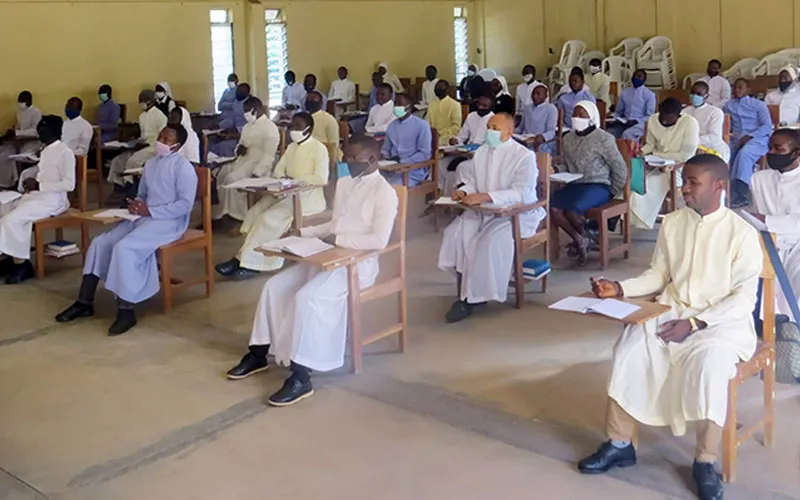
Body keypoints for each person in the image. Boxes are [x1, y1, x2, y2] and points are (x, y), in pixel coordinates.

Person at [577, 154, 762, 500]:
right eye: (684, 181)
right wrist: (619, 289)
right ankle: (619, 443)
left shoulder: (742, 234)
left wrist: (695, 323)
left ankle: (704, 461)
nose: (684, 188)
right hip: (671, 310)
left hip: (720, 323)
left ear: (718, 186)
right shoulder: (674, 222)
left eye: (693, 182)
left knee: (711, 368)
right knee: (630, 346)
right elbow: (658, 275)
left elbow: (743, 299)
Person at [224, 136, 398, 406]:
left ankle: (301, 376)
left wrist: (339, 242)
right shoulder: (345, 183)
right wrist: (303, 232)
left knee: (309, 298)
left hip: (357, 263)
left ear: (372, 160)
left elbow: (378, 240)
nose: (347, 162)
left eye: (354, 158)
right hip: (328, 255)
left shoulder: (384, 193)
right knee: (274, 286)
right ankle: (259, 353)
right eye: (346, 157)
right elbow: (334, 222)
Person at [55, 124, 197, 335]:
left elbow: (185, 205)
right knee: (99, 243)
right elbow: (143, 194)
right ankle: (84, 302)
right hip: (143, 217)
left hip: (169, 222)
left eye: (166, 139)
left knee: (125, 248)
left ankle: (126, 310)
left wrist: (151, 211)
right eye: (160, 136)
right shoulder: (150, 165)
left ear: (177, 145)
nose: (161, 141)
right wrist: (136, 204)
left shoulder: (183, 168)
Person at [438, 113, 546, 323]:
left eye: (495, 128)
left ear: (509, 132)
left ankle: (473, 298)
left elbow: (521, 193)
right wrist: (464, 191)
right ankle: (466, 288)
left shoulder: (523, 156)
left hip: (516, 213)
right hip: (484, 210)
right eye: (488, 126)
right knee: (456, 233)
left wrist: (487, 196)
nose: (490, 131)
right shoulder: (482, 152)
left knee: (486, 243)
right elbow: (473, 182)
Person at [216, 112, 328, 279]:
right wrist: (283, 179)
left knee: (268, 219)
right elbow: (278, 169)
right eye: (292, 125)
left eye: (297, 126)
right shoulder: (291, 148)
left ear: (308, 129)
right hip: (286, 192)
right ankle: (243, 256)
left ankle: (252, 264)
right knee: (255, 212)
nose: (293, 129)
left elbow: (320, 178)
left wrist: (296, 181)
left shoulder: (319, 149)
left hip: (307, 197)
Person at [0, 115, 74, 284]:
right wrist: (30, 183)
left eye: (43, 130)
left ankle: (22, 265)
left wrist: (39, 186)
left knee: (10, 220)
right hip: (37, 197)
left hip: (53, 200)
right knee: (4, 208)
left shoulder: (65, 152)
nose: (40, 133)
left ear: (54, 132)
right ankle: (9, 258)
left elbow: (69, 185)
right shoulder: (46, 150)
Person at [552, 101, 627, 266]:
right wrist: (556, 169)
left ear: (591, 117)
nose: (576, 118)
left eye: (581, 115)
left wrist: (613, 191)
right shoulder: (568, 138)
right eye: (575, 114)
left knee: (573, 208)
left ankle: (582, 240)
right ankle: (581, 239)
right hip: (574, 183)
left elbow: (619, 167)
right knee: (553, 206)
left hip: (598, 185)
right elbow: (565, 163)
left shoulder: (604, 138)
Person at [750, 128, 800, 315]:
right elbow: (756, 216)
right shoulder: (759, 179)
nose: (771, 153)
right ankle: (772, 329)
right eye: (770, 148)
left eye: (778, 149)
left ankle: (793, 334)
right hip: (767, 242)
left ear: (796, 152)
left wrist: (768, 220)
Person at [632, 98, 700, 229]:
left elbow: (686, 154)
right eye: (662, 116)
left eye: (669, 118)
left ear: (678, 116)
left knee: (649, 185)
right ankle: (626, 217)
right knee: (633, 184)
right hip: (653, 163)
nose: (664, 121)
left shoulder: (690, 123)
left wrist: (658, 157)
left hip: (677, 166)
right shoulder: (653, 120)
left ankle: (639, 218)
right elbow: (650, 145)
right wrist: (641, 152)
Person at [212, 97, 280, 225]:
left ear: (257, 109)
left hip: (258, 163)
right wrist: (239, 149)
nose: (245, 114)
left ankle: (240, 218)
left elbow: (269, 156)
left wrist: (257, 173)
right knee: (219, 174)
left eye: (248, 111)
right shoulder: (247, 126)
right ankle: (220, 213)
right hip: (243, 160)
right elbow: (241, 143)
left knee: (233, 179)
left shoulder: (270, 128)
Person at [106, 90, 168, 195]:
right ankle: (119, 187)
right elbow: (143, 135)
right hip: (143, 145)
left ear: (151, 101)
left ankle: (131, 189)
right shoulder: (142, 116)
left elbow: (163, 136)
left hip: (153, 147)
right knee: (118, 160)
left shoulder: (160, 116)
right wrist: (135, 142)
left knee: (133, 161)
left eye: (144, 100)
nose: (141, 103)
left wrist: (147, 143)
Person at [724, 78, 773, 208]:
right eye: (735, 87)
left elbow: (767, 126)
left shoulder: (758, 105)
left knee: (745, 153)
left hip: (757, 138)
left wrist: (749, 136)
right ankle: (727, 190)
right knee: (724, 153)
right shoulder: (728, 105)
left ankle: (741, 193)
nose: (736, 90)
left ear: (748, 89)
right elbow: (726, 125)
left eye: (740, 87)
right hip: (736, 139)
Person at [438, 95, 494, 196]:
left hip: (480, 154)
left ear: (490, 107)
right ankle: (443, 194)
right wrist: (455, 140)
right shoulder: (471, 116)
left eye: (484, 106)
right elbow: (462, 136)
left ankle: (462, 194)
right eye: (479, 104)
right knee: (441, 164)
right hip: (465, 151)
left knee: (461, 167)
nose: (480, 107)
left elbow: (491, 144)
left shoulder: (493, 120)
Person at [381, 94, 433, 186]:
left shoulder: (422, 125)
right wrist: (385, 157)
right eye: (395, 104)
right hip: (392, 169)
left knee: (392, 187)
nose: (396, 107)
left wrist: (403, 161)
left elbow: (425, 154)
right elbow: (386, 148)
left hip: (412, 170)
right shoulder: (391, 126)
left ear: (409, 107)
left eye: (399, 104)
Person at [0, 91, 43, 188]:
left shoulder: (36, 112)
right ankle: (3, 181)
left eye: (22, 101)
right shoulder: (19, 112)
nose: (21, 103)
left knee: (9, 156)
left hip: (31, 142)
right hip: (18, 140)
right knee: (2, 151)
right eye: (19, 101)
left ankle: (13, 182)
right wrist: (14, 131)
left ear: (29, 101)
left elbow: (36, 131)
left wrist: (17, 133)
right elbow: (19, 127)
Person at [684, 81, 730, 162]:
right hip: (689, 147)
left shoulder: (715, 112)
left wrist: (693, 141)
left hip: (712, 147)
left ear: (706, 96)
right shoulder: (684, 112)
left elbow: (714, 136)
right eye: (693, 93)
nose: (695, 96)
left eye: (699, 94)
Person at [607, 70, 656, 141]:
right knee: (609, 133)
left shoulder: (649, 95)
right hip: (625, 123)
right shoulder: (625, 93)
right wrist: (613, 116)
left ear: (644, 79)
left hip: (640, 124)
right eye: (634, 76)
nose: (636, 78)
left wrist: (636, 121)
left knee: (627, 134)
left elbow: (650, 116)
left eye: (639, 76)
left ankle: (626, 151)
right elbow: (619, 112)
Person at [209, 83, 250, 158]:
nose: (238, 93)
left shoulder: (250, 105)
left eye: (241, 91)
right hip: (235, 130)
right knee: (211, 140)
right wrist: (219, 126)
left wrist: (232, 135)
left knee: (223, 146)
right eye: (237, 91)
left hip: (244, 137)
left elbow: (249, 131)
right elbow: (232, 119)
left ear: (247, 93)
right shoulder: (236, 103)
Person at [515, 83, 558, 155]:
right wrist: (511, 132)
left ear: (545, 96)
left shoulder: (551, 109)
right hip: (525, 139)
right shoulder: (527, 108)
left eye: (538, 94)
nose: (535, 96)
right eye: (533, 93)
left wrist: (542, 137)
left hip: (540, 141)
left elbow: (551, 131)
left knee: (530, 152)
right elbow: (520, 127)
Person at [306, 91, 341, 159]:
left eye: (313, 99)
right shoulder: (303, 118)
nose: (310, 101)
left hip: (326, 155)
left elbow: (334, 145)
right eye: (308, 99)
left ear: (321, 103)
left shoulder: (329, 119)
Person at [426, 79, 461, 146]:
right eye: (436, 88)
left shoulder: (455, 105)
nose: (438, 90)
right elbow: (427, 123)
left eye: (440, 88)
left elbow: (456, 127)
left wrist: (439, 133)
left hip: (448, 138)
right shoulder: (431, 105)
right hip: (432, 138)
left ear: (447, 90)